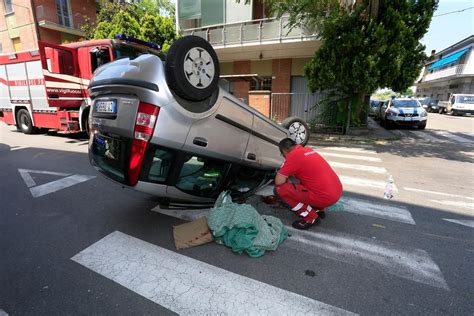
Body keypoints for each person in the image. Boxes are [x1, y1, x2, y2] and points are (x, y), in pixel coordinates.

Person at [274, 138, 343, 230]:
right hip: (336, 191)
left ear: (284, 151)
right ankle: (318, 209)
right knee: (305, 183)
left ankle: (311, 217)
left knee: (280, 190)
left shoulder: (293, 156)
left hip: (325, 197)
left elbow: (278, 182)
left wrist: (286, 180)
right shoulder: (308, 150)